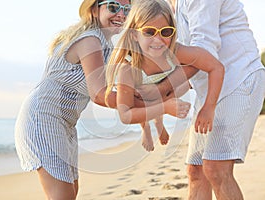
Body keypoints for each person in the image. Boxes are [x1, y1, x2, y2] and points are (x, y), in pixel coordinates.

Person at [14, 0, 133, 199]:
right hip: (43, 118)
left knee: (71, 193)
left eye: (127, 9)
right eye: (113, 7)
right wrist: (150, 104)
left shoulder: (105, 46)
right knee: (62, 196)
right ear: (95, 9)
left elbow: (132, 77)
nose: (121, 14)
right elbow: (100, 94)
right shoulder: (90, 41)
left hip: (66, 124)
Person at [168, 0, 265, 199]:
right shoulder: (169, 5)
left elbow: (204, 52)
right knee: (196, 170)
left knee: (216, 168)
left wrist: (160, 88)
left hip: (239, 79)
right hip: (210, 89)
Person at [105, 0, 225, 154]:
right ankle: (147, 128)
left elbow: (216, 67)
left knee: (187, 84)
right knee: (142, 99)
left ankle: (158, 119)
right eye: (149, 32)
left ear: (173, 33)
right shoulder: (128, 69)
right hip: (141, 90)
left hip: (166, 83)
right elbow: (126, 114)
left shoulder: (174, 51)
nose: (158, 39)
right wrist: (165, 108)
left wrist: (209, 107)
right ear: (134, 34)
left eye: (165, 32)